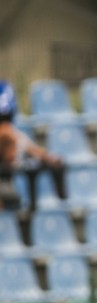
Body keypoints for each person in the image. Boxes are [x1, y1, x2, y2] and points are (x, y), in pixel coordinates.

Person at [0, 80, 65, 210]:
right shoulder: (7, 133)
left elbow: (28, 147)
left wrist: (45, 156)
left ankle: (60, 196)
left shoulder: (12, 133)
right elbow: (26, 146)